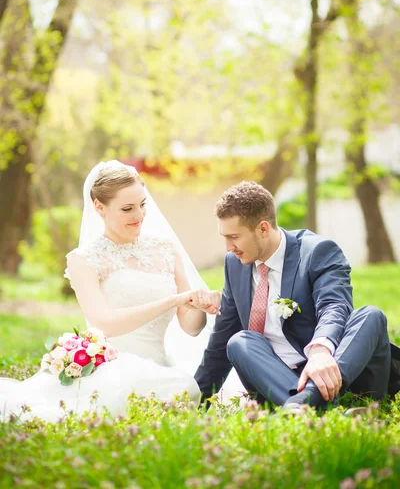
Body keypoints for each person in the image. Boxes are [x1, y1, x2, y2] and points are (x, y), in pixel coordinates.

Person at [0, 160, 221, 422]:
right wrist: (172, 300)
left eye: (142, 204)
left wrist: (199, 306)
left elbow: (191, 327)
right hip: (112, 366)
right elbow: (105, 324)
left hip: (159, 365)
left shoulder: (166, 249)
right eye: (127, 208)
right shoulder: (84, 260)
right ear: (99, 207)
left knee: (184, 388)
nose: (139, 215)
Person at [195, 181, 400, 412]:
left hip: (333, 370)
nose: (227, 247)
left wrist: (320, 351)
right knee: (238, 342)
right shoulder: (234, 264)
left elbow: (334, 305)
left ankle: (302, 406)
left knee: (371, 315)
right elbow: (220, 341)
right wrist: (192, 406)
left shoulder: (317, 252)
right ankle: (316, 408)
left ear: (263, 228)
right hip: (279, 379)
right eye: (224, 237)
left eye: (234, 237)